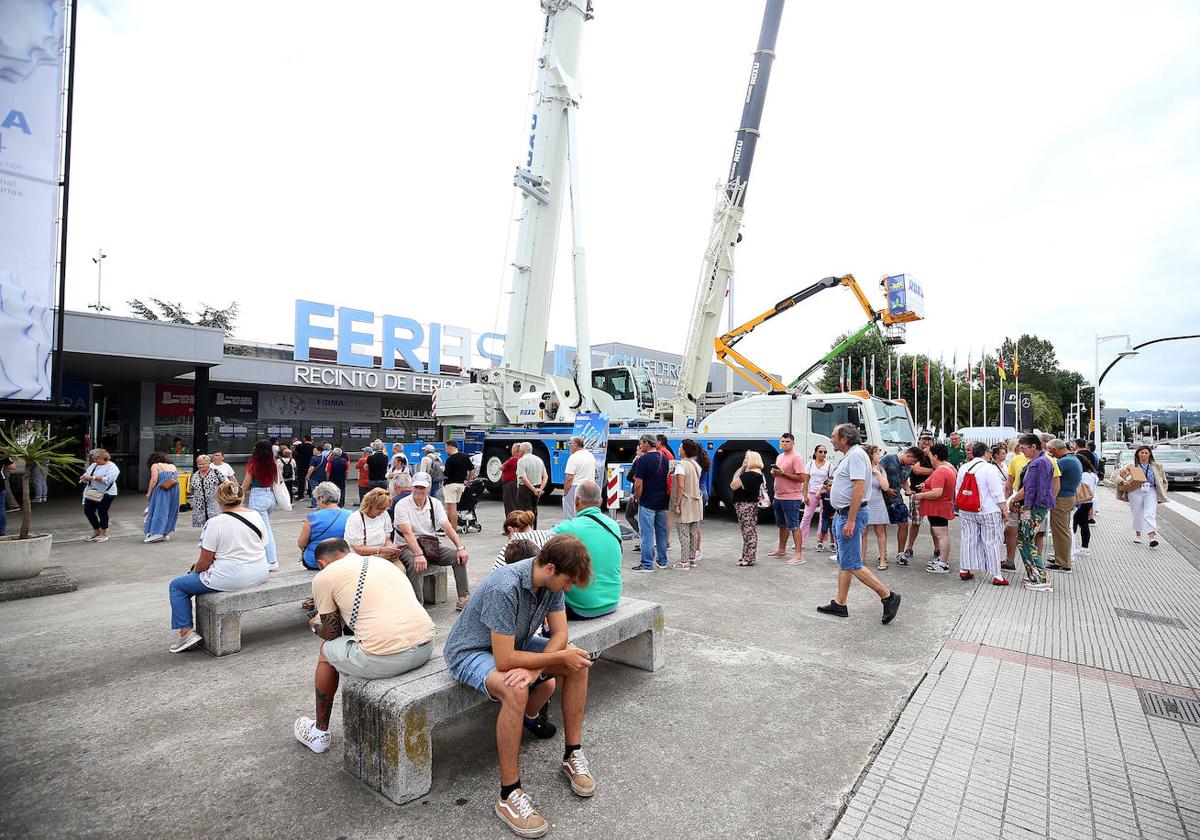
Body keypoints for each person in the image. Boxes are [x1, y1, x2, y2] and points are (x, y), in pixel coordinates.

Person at [442, 534, 596, 838]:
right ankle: (509, 795)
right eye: (566, 582)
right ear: (550, 568)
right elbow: (503, 659)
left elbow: (561, 635)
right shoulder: (506, 585)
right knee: (516, 688)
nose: (567, 589)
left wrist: (535, 665)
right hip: (471, 651)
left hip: (514, 645)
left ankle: (572, 755)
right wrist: (531, 665)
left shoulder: (549, 581)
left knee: (577, 662)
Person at [294, 537, 435, 754]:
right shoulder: (382, 563)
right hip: (426, 646)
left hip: (388, 659)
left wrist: (314, 625)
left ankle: (319, 732)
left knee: (326, 652)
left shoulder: (324, 577)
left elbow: (332, 633)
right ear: (347, 551)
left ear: (321, 563)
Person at [167, 481, 268, 652]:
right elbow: (263, 544)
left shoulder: (215, 522)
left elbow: (205, 561)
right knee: (188, 581)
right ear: (241, 497)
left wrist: (193, 571)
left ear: (218, 499)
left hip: (232, 577)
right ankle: (186, 632)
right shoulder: (256, 515)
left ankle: (186, 632)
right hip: (259, 571)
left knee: (177, 585)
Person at [816, 424, 901, 623]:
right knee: (845, 561)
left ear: (845, 439)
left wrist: (851, 520)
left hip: (849, 515)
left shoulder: (855, 455)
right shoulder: (853, 454)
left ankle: (888, 596)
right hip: (843, 514)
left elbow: (858, 488)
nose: (831, 439)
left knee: (852, 563)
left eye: (834, 436)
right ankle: (840, 603)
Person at [393, 471, 471, 610]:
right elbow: (407, 533)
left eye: (422, 487)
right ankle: (417, 606)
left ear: (429, 488)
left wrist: (460, 547)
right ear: (411, 487)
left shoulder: (434, 503)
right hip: (407, 545)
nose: (418, 490)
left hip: (429, 545)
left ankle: (463, 598)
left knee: (458, 558)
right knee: (415, 563)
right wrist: (418, 554)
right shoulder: (402, 505)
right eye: (416, 487)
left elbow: (447, 527)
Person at [552, 480, 622, 616]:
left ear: (577, 500)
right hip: (612, 601)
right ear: (600, 501)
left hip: (581, 606)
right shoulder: (614, 525)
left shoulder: (567, 528)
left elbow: (541, 544)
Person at [955, 442, 1009, 585]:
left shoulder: (964, 468)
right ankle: (997, 575)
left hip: (967, 509)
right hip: (988, 510)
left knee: (968, 538)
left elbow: (958, 489)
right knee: (991, 541)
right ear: (986, 452)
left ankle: (964, 569)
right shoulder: (990, 469)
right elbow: (997, 493)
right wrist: (1004, 510)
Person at [1007, 434, 1055, 591]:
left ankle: (1041, 577)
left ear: (1034, 446)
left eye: (1024, 448)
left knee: (1026, 541)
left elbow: (1028, 489)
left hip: (1032, 507)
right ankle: (1033, 575)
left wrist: (1013, 500)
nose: (1022, 452)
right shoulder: (1041, 461)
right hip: (1034, 507)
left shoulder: (1038, 463)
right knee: (1024, 540)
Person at [913, 444, 957, 574]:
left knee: (941, 535)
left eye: (931, 456)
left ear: (936, 456)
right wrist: (925, 486)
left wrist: (921, 495)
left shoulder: (940, 470)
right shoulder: (947, 469)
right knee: (942, 534)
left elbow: (937, 492)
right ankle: (942, 561)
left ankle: (943, 563)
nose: (930, 459)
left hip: (938, 508)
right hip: (940, 507)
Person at [766, 432, 808, 564]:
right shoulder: (779, 457)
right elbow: (780, 474)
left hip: (791, 497)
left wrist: (783, 474)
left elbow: (802, 478)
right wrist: (775, 473)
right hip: (779, 496)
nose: (784, 444)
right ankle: (781, 549)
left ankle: (799, 555)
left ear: (793, 443)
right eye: (783, 441)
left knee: (794, 525)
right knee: (782, 525)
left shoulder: (796, 458)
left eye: (787, 442)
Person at [630, 434, 670, 571]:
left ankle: (647, 564)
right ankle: (662, 561)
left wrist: (638, 497)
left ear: (647, 443)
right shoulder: (663, 458)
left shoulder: (643, 460)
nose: (640, 446)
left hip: (647, 500)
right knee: (661, 532)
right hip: (662, 500)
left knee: (647, 534)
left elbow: (638, 483)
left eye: (641, 443)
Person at [879, 447, 926, 565]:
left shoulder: (908, 467)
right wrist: (886, 488)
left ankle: (900, 554)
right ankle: (882, 553)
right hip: (882, 498)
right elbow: (877, 474)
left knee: (904, 523)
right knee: (881, 526)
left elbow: (904, 481)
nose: (913, 464)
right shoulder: (888, 459)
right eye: (913, 461)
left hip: (896, 498)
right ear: (909, 455)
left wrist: (908, 490)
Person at [241, 440, 281, 571]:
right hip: (270, 496)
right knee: (262, 528)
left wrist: (237, 495)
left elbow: (246, 485)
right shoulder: (274, 463)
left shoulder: (253, 464)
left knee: (265, 530)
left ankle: (272, 560)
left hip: (258, 497)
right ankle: (263, 557)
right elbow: (276, 480)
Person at [1117, 445, 1167, 547]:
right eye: (1142, 453)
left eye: (1146, 453)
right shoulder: (1131, 466)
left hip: (1151, 490)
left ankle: (1152, 537)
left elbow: (1163, 480)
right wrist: (1123, 480)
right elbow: (1116, 475)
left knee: (1150, 513)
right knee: (1137, 514)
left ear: (1150, 454)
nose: (1144, 455)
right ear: (1137, 454)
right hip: (1135, 491)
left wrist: (1163, 491)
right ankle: (1138, 534)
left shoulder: (1156, 466)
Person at [899, 431, 936, 564]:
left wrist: (929, 454)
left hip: (933, 493)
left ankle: (937, 549)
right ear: (919, 440)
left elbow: (940, 466)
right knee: (915, 522)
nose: (926, 442)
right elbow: (916, 469)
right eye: (923, 439)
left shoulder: (934, 454)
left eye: (928, 439)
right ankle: (909, 548)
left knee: (935, 524)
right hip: (917, 493)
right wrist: (933, 470)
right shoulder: (914, 454)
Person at [298, 482, 353, 570]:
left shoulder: (312, 517)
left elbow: (302, 543)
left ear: (321, 498)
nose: (316, 502)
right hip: (342, 559)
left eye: (316, 499)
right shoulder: (350, 515)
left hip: (315, 561)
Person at [669, 440, 705, 569]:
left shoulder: (681, 465)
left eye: (680, 447)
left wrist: (677, 504)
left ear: (685, 450)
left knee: (683, 533)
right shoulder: (695, 464)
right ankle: (692, 559)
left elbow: (680, 486)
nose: (678, 449)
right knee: (693, 532)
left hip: (685, 502)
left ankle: (684, 562)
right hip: (696, 501)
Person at [1047, 439, 1081, 572]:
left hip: (1062, 498)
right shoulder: (1073, 458)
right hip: (1069, 497)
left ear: (1054, 450)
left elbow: (1050, 475)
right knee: (1063, 529)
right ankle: (1061, 557)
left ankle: (1062, 563)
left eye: (1050, 450)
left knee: (1060, 531)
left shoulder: (1063, 462)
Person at [344, 486, 401, 561]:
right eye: (379, 508)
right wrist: (381, 550)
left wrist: (391, 549)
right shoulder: (356, 518)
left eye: (385, 508)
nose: (382, 511)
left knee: (401, 570)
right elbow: (358, 548)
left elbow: (387, 539)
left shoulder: (384, 514)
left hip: (381, 554)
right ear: (369, 505)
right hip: (360, 558)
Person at [730, 451, 765, 567]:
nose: (744, 461)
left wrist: (742, 468)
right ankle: (747, 555)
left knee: (748, 532)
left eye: (746, 458)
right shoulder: (759, 474)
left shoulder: (749, 475)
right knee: (750, 530)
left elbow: (733, 485)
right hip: (751, 504)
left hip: (745, 505)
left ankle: (748, 558)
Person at [492, 509, 558, 572]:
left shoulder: (510, 547)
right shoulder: (549, 536)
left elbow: (496, 574)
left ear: (511, 529)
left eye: (508, 536)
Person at [80, 448, 120, 542]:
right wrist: (83, 477)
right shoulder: (94, 465)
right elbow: (87, 473)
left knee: (102, 511)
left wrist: (93, 478)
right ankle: (96, 531)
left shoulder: (112, 467)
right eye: (94, 459)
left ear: (104, 458)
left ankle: (103, 533)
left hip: (107, 493)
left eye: (97, 459)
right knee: (88, 511)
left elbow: (109, 479)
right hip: (92, 492)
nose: (95, 461)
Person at [863, 445, 892, 571]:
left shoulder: (880, 469)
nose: (879, 456)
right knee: (862, 533)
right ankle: (861, 558)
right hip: (864, 502)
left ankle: (882, 559)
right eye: (876, 453)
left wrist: (877, 473)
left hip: (878, 502)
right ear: (870, 455)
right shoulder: (862, 468)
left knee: (880, 532)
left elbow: (885, 487)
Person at [799, 445, 833, 551]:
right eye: (821, 451)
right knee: (806, 516)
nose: (823, 454)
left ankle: (820, 540)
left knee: (823, 518)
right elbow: (806, 481)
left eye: (825, 452)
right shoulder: (810, 464)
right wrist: (804, 496)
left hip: (824, 494)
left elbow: (831, 482)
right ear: (815, 453)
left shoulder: (829, 466)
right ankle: (800, 540)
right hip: (812, 493)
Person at [144, 452, 181, 544]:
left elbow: (154, 480)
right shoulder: (172, 466)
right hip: (175, 489)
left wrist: (149, 492)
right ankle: (165, 532)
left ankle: (156, 532)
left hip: (162, 489)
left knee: (159, 510)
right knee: (170, 510)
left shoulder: (155, 465)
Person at [561, 437, 597, 522]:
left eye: (570, 443)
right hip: (589, 486)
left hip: (576, 486)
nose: (569, 445)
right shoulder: (590, 455)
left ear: (575, 445)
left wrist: (565, 492)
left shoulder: (573, 457)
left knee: (570, 512)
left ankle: (572, 531)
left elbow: (569, 478)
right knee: (586, 510)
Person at [442, 439, 476, 529]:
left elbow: (446, 475)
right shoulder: (465, 456)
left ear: (450, 447)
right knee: (452, 507)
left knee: (452, 508)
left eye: (446, 448)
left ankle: (453, 529)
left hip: (450, 485)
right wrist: (469, 480)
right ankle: (448, 527)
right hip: (461, 484)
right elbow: (472, 469)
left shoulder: (450, 460)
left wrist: (442, 471)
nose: (446, 451)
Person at [516, 442, 549, 528]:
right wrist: (540, 489)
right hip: (537, 487)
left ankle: (526, 530)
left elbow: (523, 478)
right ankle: (534, 528)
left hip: (525, 488)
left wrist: (533, 489)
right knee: (534, 511)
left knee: (525, 512)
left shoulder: (521, 460)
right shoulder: (539, 459)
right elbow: (545, 476)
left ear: (522, 451)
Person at [189, 455, 223, 529]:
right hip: (200, 504)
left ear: (209, 463)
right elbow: (191, 489)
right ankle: (205, 535)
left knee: (215, 522)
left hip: (214, 502)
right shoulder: (195, 475)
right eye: (199, 464)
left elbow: (224, 485)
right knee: (204, 524)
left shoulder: (216, 473)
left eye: (203, 464)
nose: (201, 466)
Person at [1073, 455, 1098, 557]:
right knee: (1083, 524)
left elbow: (1083, 488)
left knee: (1074, 523)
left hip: (1081, 502)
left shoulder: (1083, 475)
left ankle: (1072, 546)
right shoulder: (1091, 474)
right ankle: (1084, 547)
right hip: (1088, 502)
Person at [500, 443, 521, 518]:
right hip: (516, 482)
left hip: (509, 483)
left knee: (509, 504)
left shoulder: (513, 459)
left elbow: (501, 467)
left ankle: (511, 520)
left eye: (512, 449)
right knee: (516, 503)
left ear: (516, 450)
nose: (511, 450)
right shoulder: (521, 459)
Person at [292, 436, 316, 500]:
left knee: (301, 481)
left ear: (304, 439)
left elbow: (295, 455)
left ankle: (300, 496)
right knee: (310, 480)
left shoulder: (299, 446)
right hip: (310, 465)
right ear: (311, 439)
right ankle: (311, 495)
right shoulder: (313, 447)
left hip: (300, 465)